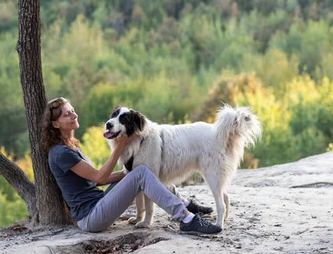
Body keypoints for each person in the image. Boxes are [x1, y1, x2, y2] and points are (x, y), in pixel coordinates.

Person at [42, 97, 222, 234]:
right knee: (142, 172)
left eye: (73, 110)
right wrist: (121, 147)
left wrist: (127, 172)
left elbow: (94, 182)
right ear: (55, 124)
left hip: (99, 203)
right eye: (67, 114)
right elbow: (99, 177)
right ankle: (186, 218)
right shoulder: (61, 153)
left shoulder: (70, 146)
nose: (74, 115)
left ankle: (184, 203)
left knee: (142, 170)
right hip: (91, 217)